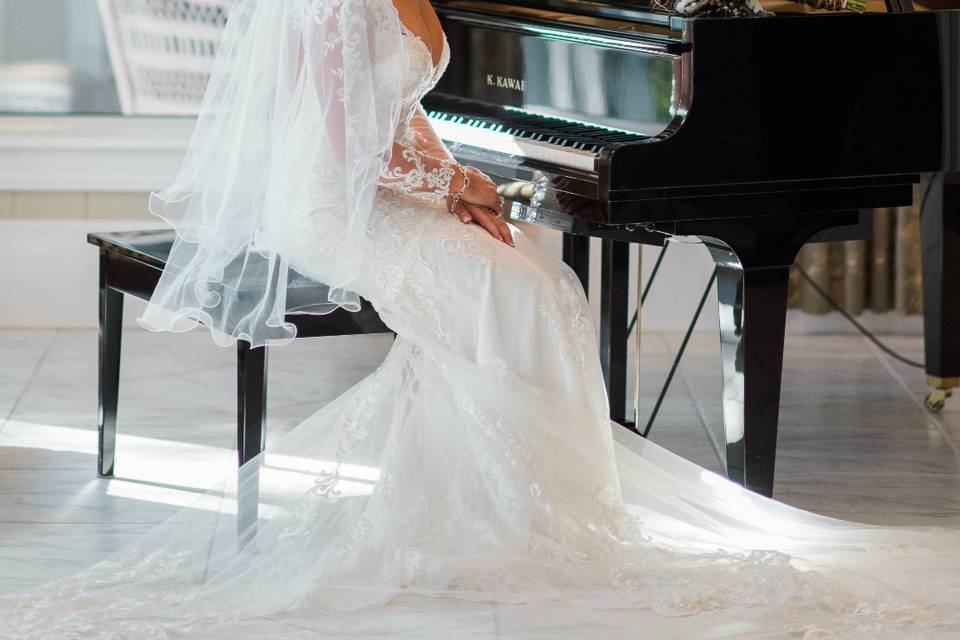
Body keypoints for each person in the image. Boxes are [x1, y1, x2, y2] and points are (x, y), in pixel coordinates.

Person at [3, 0, 959, 637]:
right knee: (523, 292)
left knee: (541, 284)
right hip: (334, 204)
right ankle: (522, 511)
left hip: (381, 177)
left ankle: (541, 495)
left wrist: (460, 180)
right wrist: (463, 181)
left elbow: (401, 107)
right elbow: (351, 146)